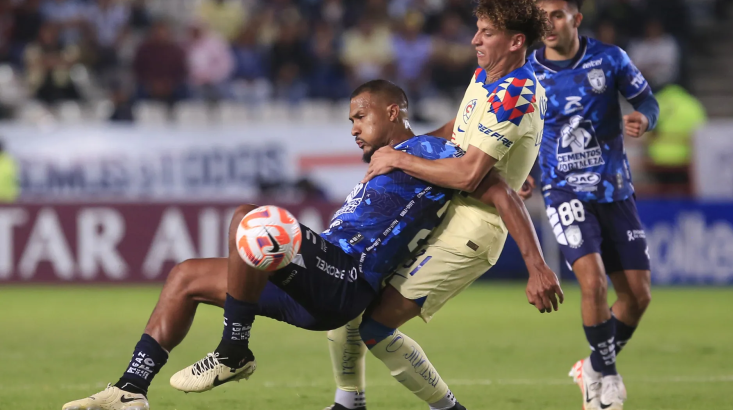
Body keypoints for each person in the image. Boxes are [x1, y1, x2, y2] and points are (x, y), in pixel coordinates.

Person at [61, 80, 559, 410]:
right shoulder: (404, 152)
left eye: (359, 117)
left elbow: (498, 191)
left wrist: (536, 263)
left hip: (346, 281)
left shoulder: (434, 155)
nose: (353, 128)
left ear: (392, 111)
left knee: (252, 220)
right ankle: (131, 390)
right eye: (349, 122)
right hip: (315, 282)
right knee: (186, 275)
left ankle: (234, 349)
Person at [323, 1, 558, 409]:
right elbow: (455, 130)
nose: (474, 40)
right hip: (443, 209)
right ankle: (348, 402)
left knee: (376, 326)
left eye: (486, 32)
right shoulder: (485, 76)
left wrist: (398, 158)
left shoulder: (516, 93)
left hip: (472, 231)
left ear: (516, 41)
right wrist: (407, 147)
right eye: (478, 29)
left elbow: (470, 175)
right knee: (350, 296)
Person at [529, 1, 661, 409]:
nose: (547, 24)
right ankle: (606, 376)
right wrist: (519, 174)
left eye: (555, 14)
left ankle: (592, 367)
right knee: (594, 282)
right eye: (540, 17)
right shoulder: (527, 74)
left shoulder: (610, 58)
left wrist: (643, 119)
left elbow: (649, 103)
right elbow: (511, 130)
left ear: (575, 18)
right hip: (563, 191)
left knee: (638, 296)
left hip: (615, 189)